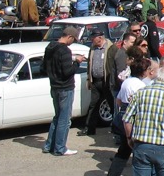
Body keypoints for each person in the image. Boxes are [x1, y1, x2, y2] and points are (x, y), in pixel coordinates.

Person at [42, 26, 83, 157]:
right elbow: (67, 72)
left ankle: (49, 145)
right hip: (65, 88)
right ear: (69, 37)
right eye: (74, 39)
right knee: (64, 120)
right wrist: (77, 62)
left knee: (57, 117)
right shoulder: (65, 50)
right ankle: (60, 148)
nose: (73, 42)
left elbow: (43, 67)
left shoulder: (50, 47)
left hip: (54, 87)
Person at [81, 31, 112, 137]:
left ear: (100, 38)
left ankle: (115, 127)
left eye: (93, 38)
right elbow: (89, 64)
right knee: (93, 105)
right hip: (95, 81)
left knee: (111, 104)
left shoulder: (110, 48)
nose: (91, 40)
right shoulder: (93, 48)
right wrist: (89, 79)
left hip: (106, 81)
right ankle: (89, 128)